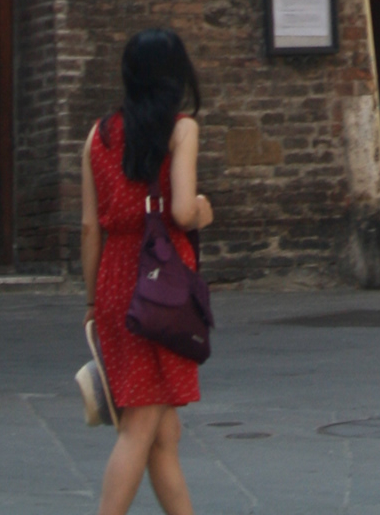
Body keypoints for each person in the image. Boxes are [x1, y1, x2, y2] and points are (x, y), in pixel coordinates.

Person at [81, 28, 214, 515]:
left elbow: (89, 227)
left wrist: (93, 301)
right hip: (162, 283)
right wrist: (204, 209)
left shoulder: (98, 135)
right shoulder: (181, 129)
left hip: (116, 279)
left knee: (163, 434)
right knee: (140, 427)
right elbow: (180, 212)